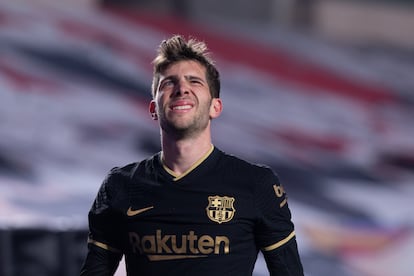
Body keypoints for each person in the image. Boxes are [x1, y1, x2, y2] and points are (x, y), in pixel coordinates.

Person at [80, 35, 304, 276]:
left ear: (215, 107)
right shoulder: (120, 185)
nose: (181, 88)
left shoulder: (256, 184)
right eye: (168, 83)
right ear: (154, 109)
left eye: (194, 81)